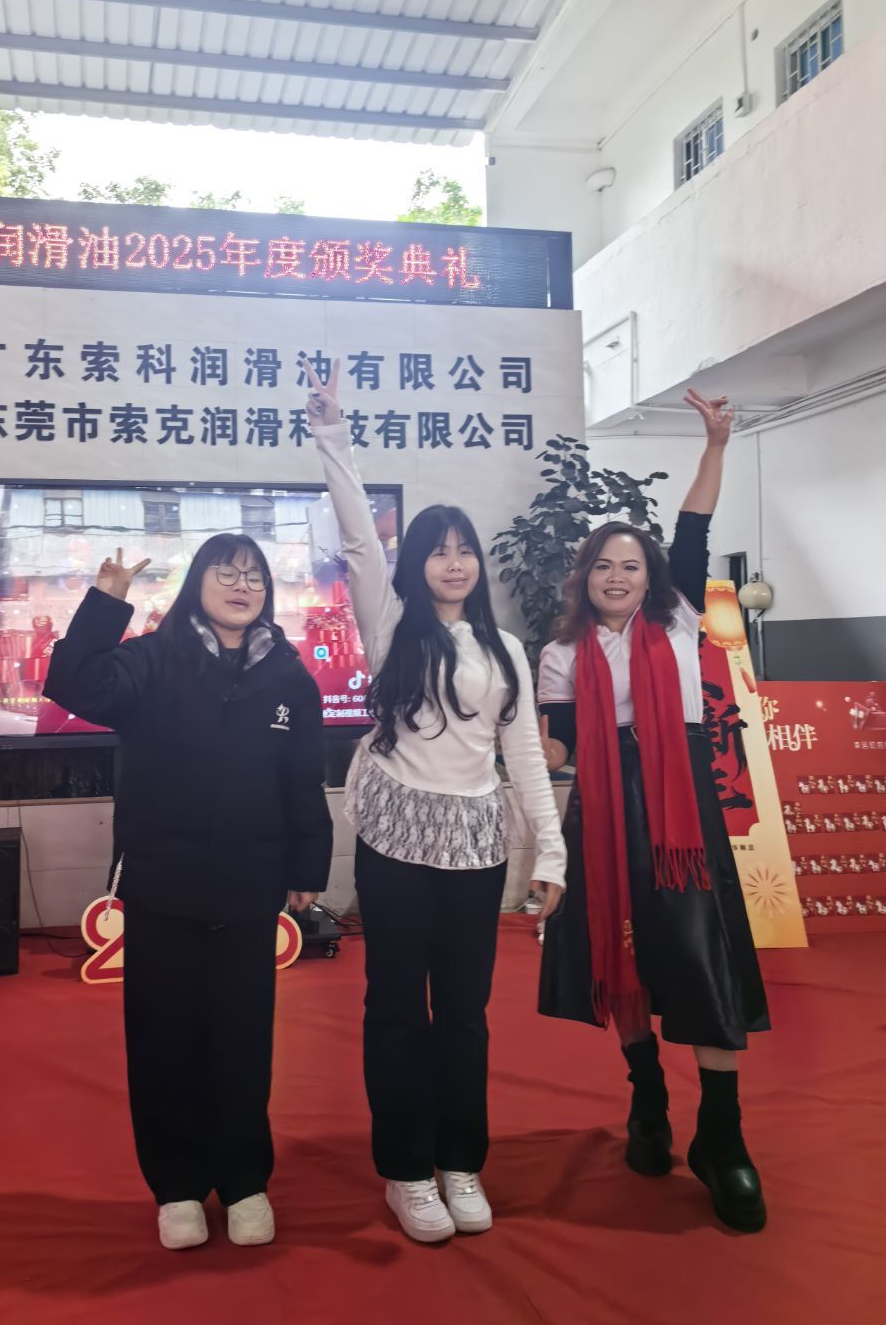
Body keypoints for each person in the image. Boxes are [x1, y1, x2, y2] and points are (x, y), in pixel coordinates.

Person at [304, 361, 566, 1244]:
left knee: (463, 1012)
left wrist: (551, 854)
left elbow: (522, 755)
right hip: (395, 837)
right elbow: (357, 539)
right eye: (437, 550)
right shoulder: (390, 622)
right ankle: (407, 1171)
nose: (453, 563)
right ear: (416, 564)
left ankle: (460, 1162)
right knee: (394, 1008)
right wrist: (333, 434)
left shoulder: (507, 650)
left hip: (476, 844)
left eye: (464, 550)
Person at [43, 536, 333, 1251]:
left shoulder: (289, 677)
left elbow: (302, 779)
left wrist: (308, 865)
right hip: (162, 884)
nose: (241, 585)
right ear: (197, 582)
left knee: (243, 1039)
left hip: (249, 886)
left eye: (254, 576)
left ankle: (244, 1181)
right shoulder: (152, 659)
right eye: (225, 572)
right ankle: (175, 1187)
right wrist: (106, 601)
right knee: (162, 1037)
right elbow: (72, 684)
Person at [536, 389, 770, 1233]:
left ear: (650, 576)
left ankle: (723, 1136)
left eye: (631, 566)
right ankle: (647, 1101)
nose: (618, 577)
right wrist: (507, 752)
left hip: (681, 810)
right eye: (604, 566)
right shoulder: (560, 653)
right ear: (585, 576)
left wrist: (716, 445)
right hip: (603, 810)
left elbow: (694, 525)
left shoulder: (676, 618)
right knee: (621, 948)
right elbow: (557, 748)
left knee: (704, 955)